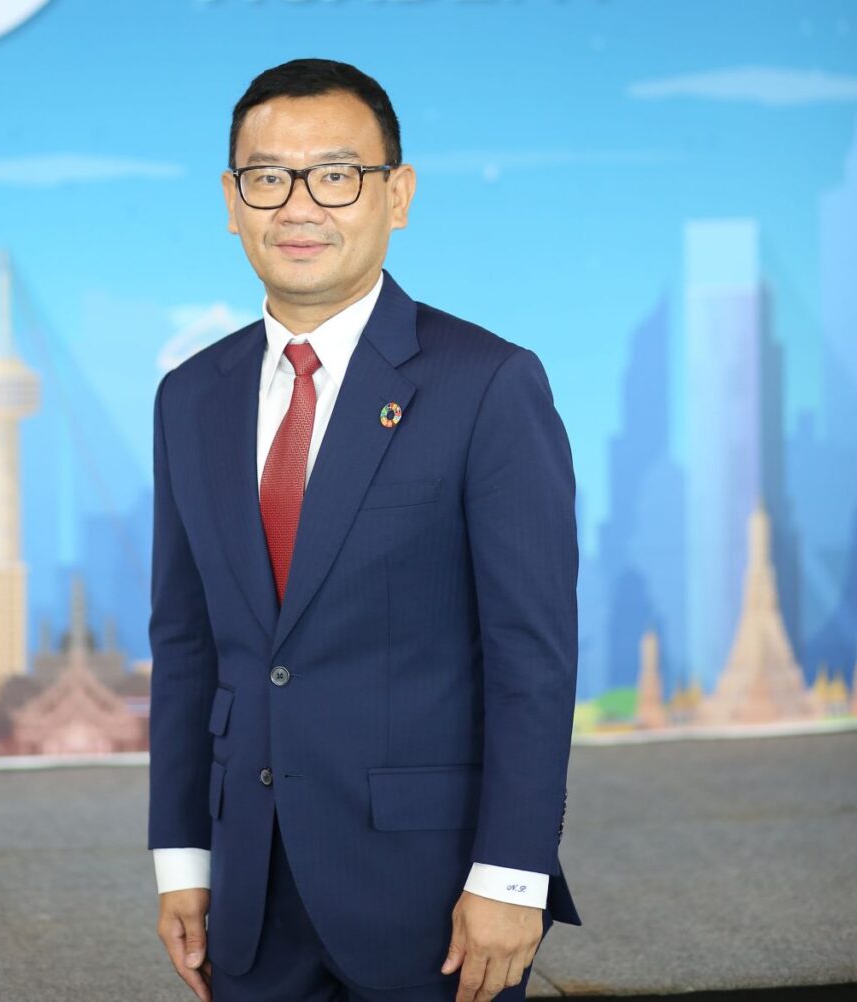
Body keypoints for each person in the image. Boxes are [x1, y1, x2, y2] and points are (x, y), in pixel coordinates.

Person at [148, 57, 582, 1002]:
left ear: (398, 194)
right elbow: (186, 648)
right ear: (231, 201)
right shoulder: (189, 397)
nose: (299, 206)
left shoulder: (487, 385)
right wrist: (182, 858)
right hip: (249, 890)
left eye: (337, 175)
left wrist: (514, 876)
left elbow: (532, 657)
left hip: (431, 896)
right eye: (268, 177)